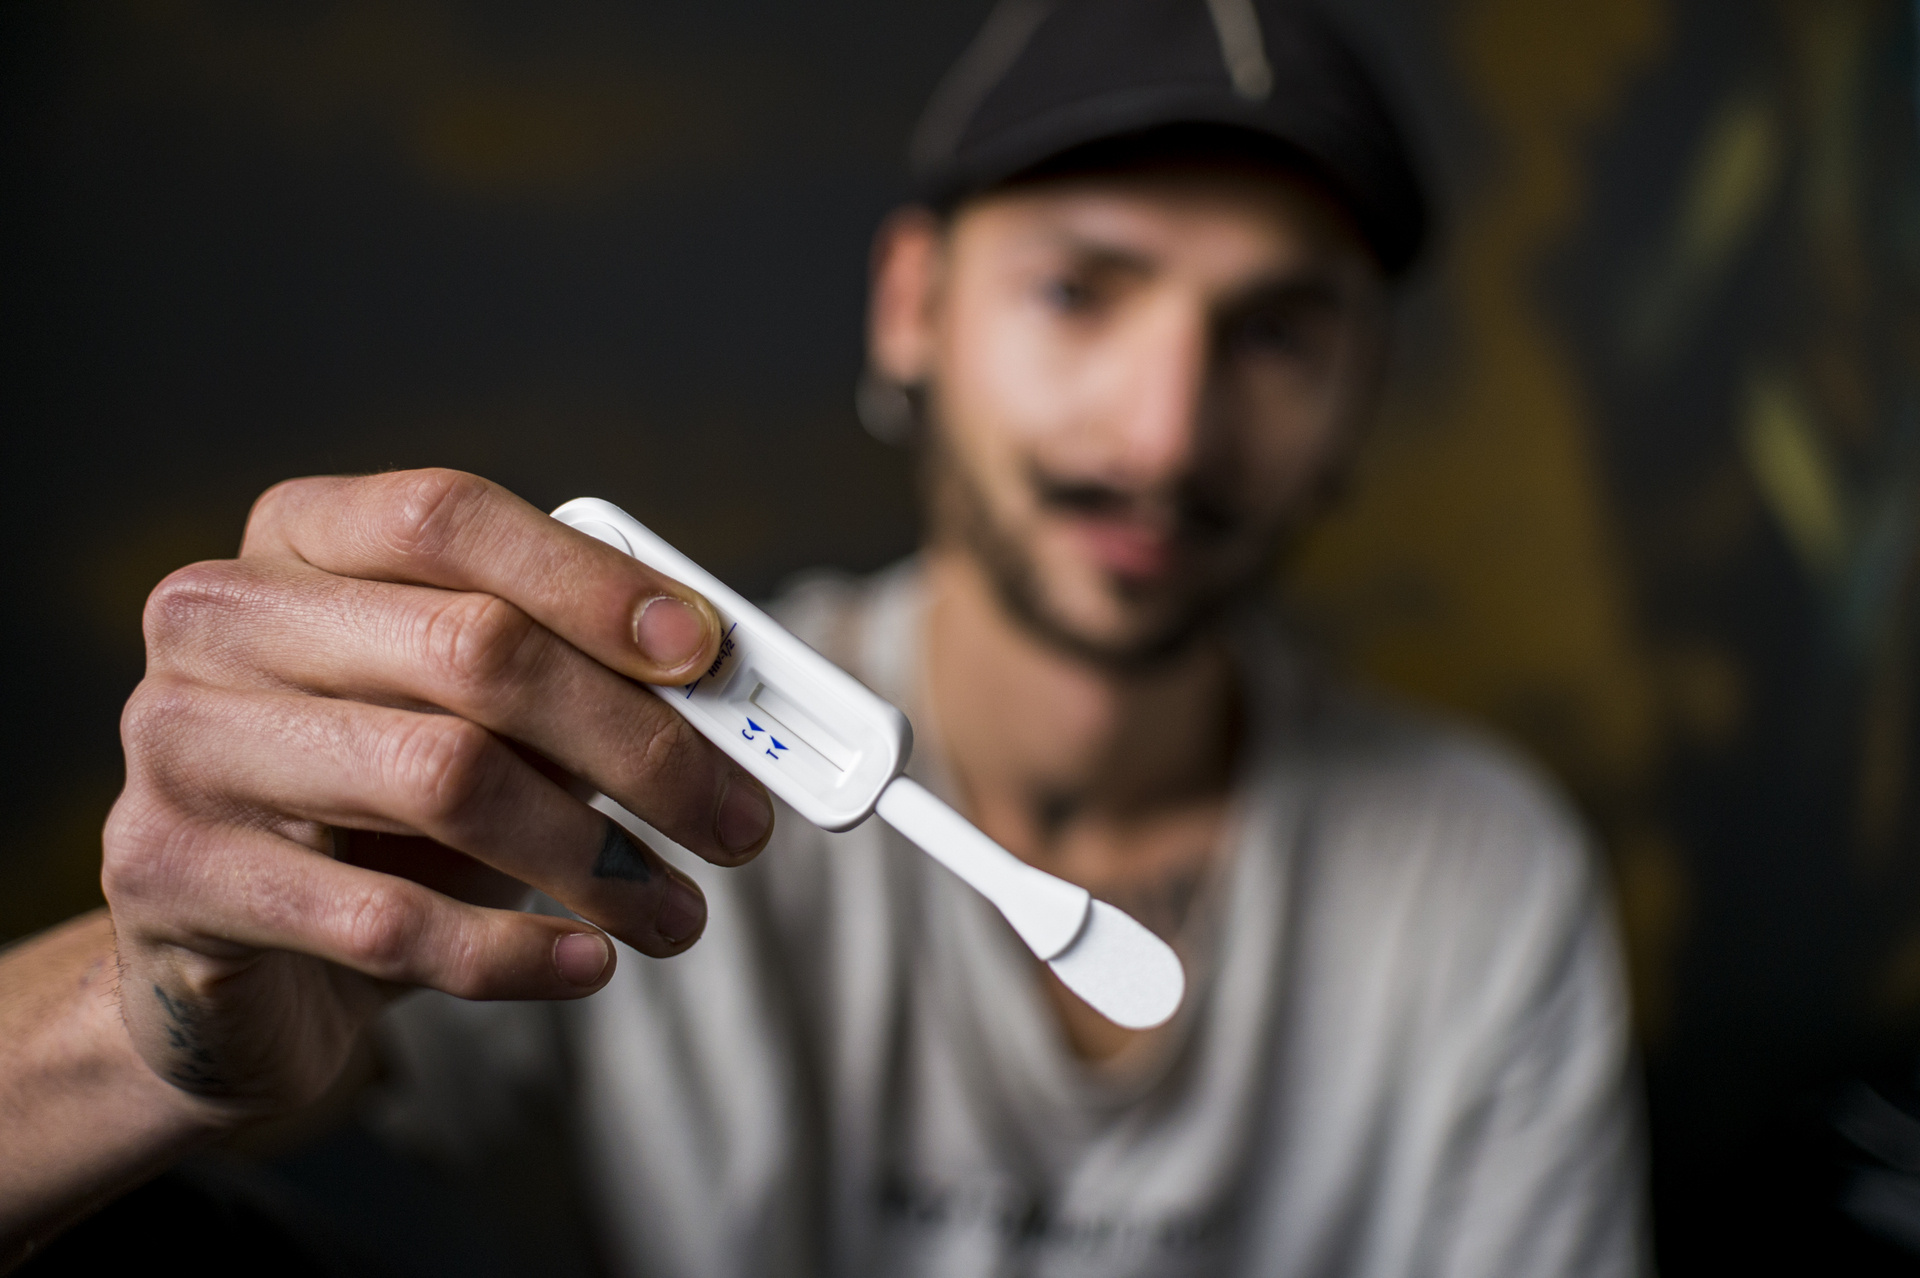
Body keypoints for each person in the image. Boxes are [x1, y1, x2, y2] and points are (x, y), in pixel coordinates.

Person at [0, 1, 1647, 1273]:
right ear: (912, 304)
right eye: (1082, 290)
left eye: (1278, 331)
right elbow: (201, 1058)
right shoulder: (597, 758)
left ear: (1366, 389)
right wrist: (157, 1021)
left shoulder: (1488, 882)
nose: (1165, 434)